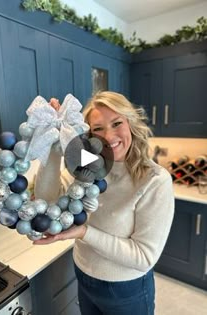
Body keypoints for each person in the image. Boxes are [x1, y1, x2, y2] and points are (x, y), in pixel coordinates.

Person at [33, 91, 174, 315]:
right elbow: (46, 202)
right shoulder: (85, 165)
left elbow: (144, 257)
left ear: (131, 124)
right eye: (98, 129)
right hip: (83, 273)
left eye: (117, 123)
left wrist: (83, 233)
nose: (108, 136)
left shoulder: (154, 180)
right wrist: (53, 147)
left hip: (126, 290)